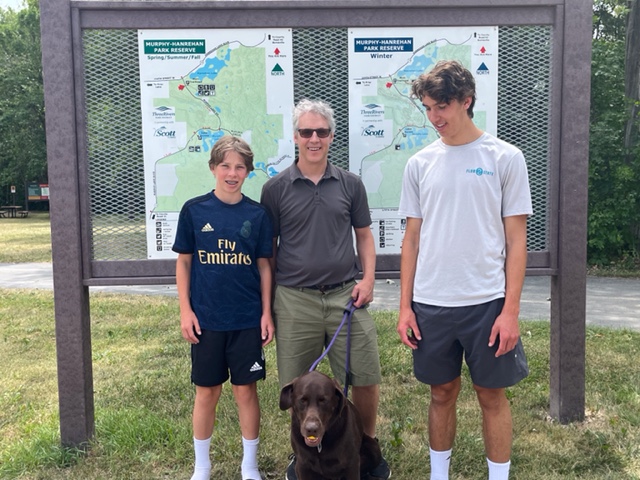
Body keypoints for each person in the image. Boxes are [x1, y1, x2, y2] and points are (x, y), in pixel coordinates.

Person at [397, 60, 532, 480]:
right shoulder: (419, 164)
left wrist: (510, 312)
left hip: (486, 303)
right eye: (428, 108)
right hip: (431, 303)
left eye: (442, 107)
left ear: (466, 101)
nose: (434, 117)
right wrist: (405, 308)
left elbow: (516, 243)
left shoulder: (505, 157)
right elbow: (411, 241)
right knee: (441, 393)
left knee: (491, 396)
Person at [260, 98, 391, 480]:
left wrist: (367, 280)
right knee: (298, 389)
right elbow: (267, 254)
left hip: (344, 296)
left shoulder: (350, 184)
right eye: (306, 132)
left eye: (321, 131)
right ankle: (303, 454)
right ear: (296, 136)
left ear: (331, 136)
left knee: (364, 376)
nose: (313, 138)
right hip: (294, 297)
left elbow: (364, 237)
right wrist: (266, 308)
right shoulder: (275, 189)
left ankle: (362, 446)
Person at [173, 135, 274, 480]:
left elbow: (264, 266)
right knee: (207, 392)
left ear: (248, 172)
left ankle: (250, 466)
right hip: (206, 319)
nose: (232, 173)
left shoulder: (257, 214)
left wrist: (265, 313)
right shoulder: (194, 210)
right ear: (213, 168)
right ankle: (202, 467)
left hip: (245, 319)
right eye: (226, 166)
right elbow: (184, 263)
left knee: (246, 391)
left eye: (240, 167)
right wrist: (186, 310)